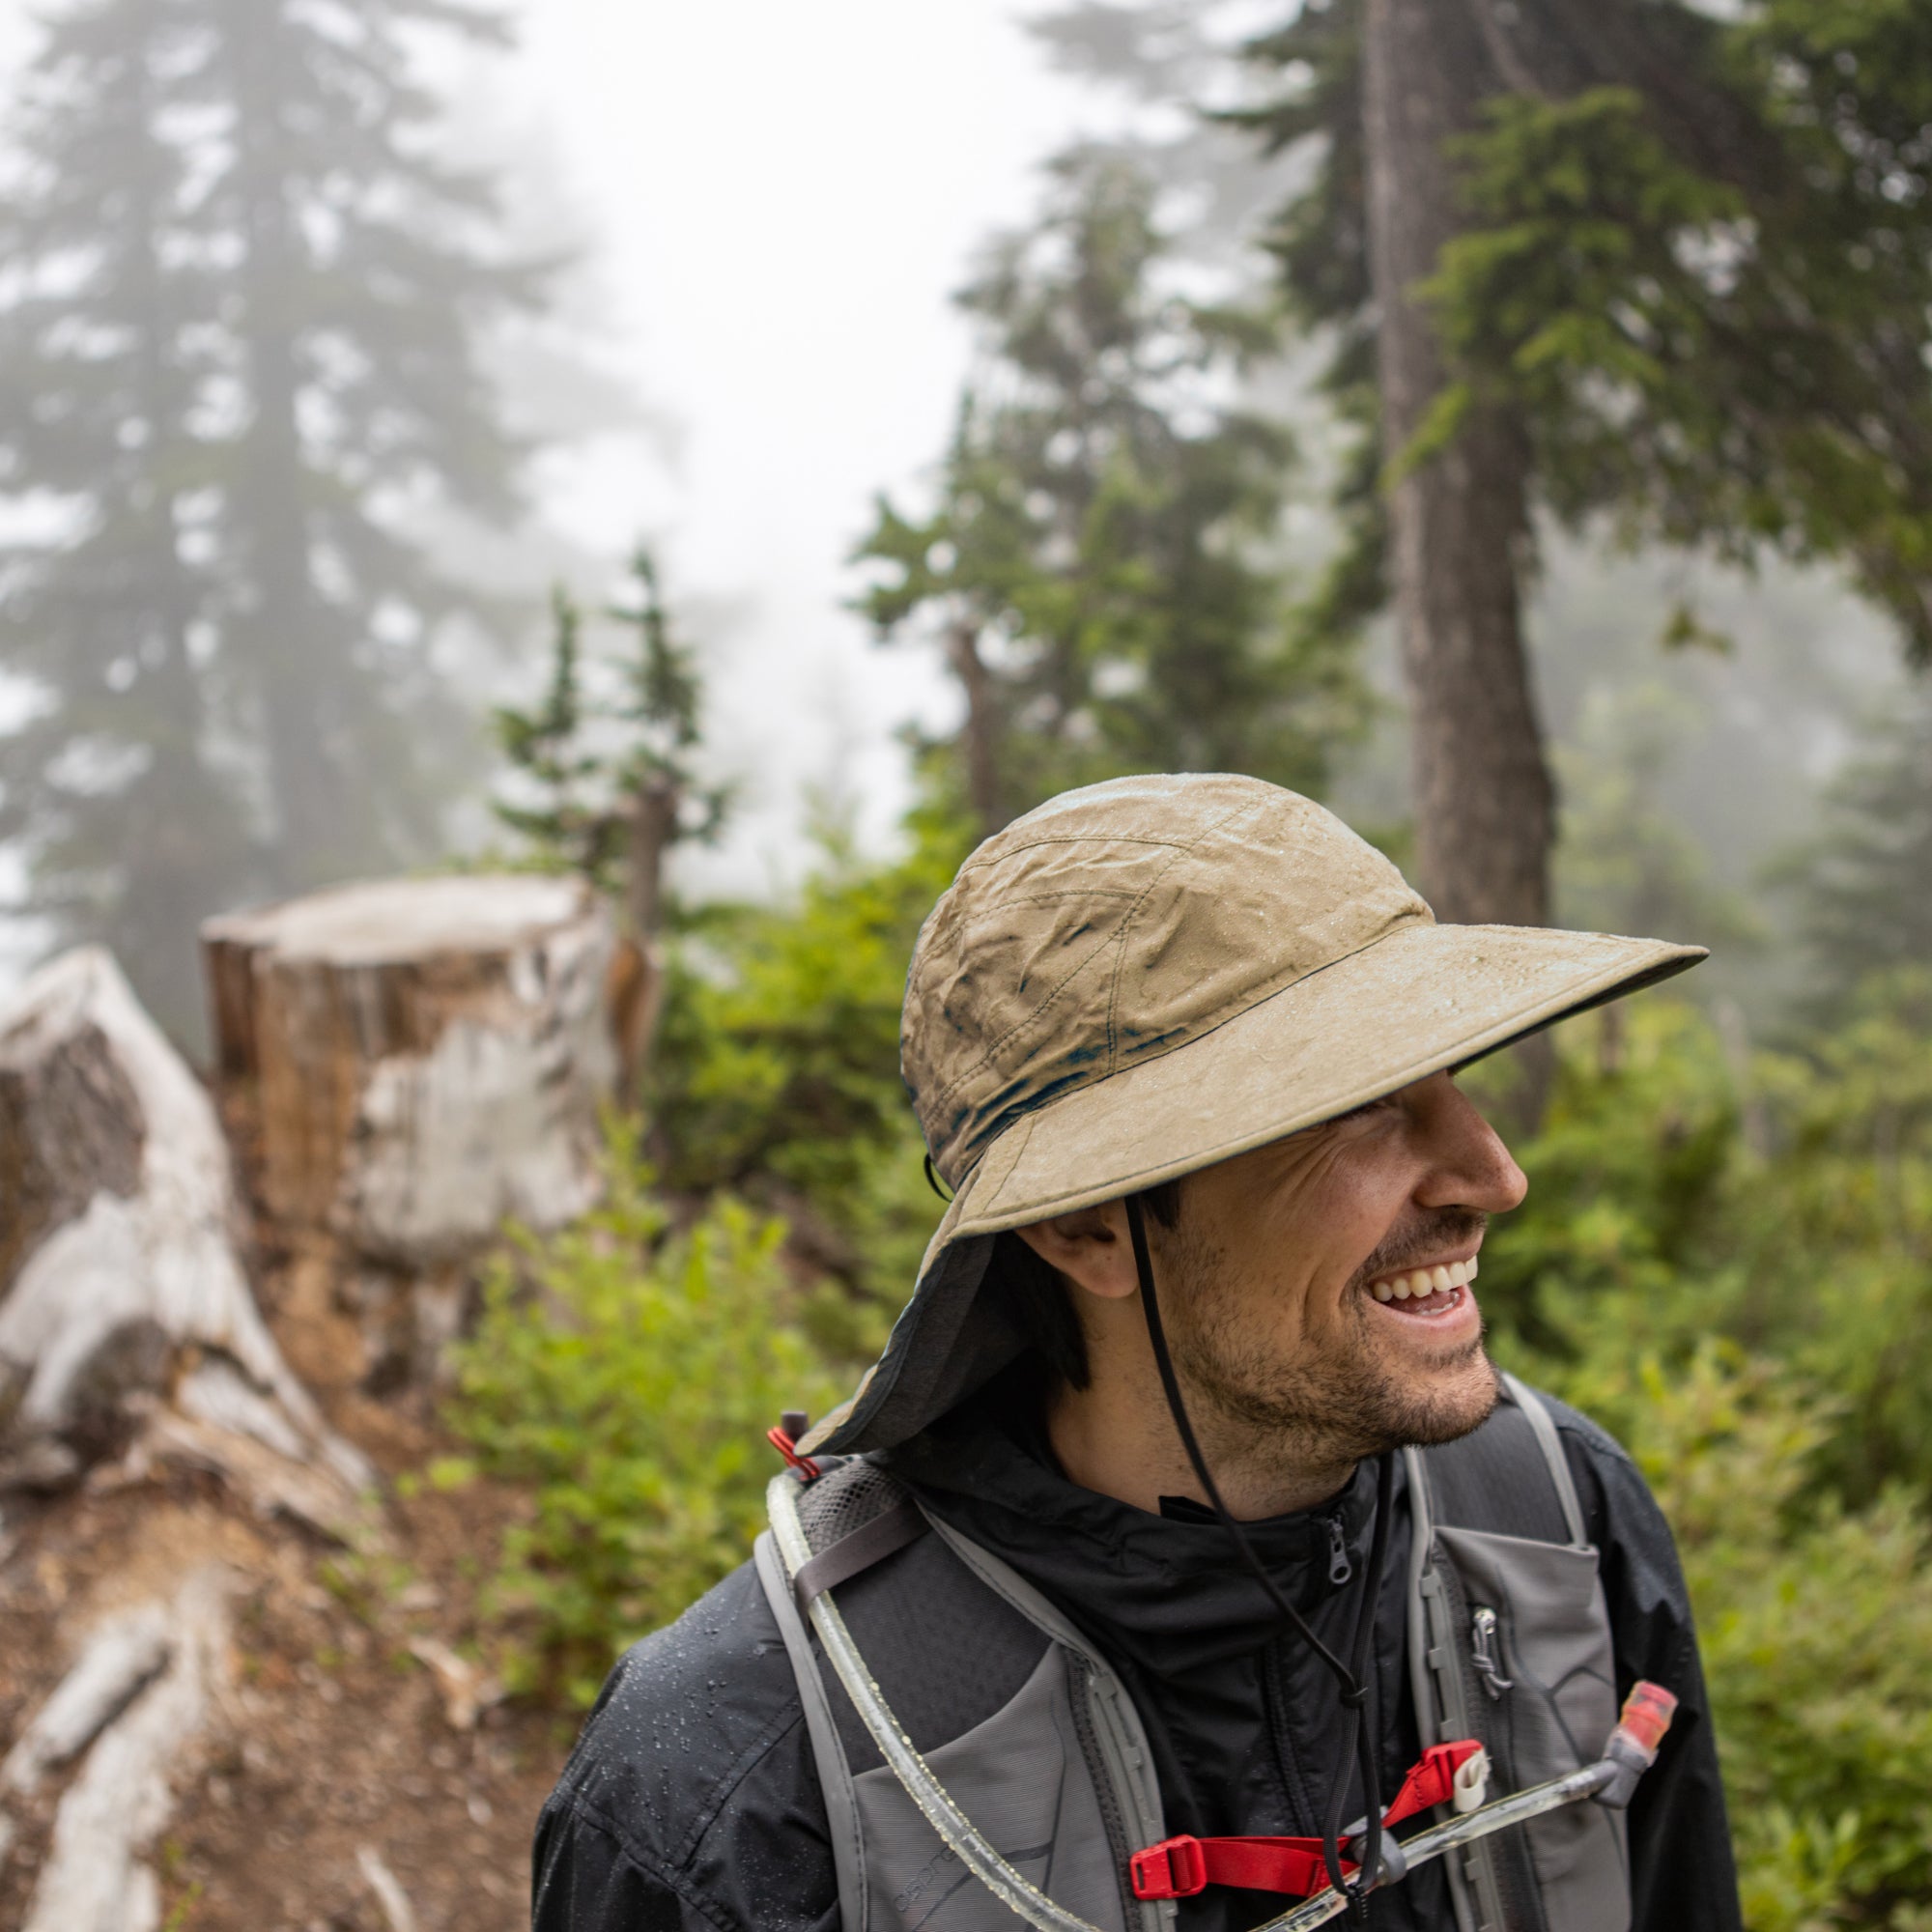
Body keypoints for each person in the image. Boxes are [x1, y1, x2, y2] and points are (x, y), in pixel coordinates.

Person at [531, 774, 1744, 1932]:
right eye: (1357, 1101)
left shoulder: (1558, 1522)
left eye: (1448, 1073)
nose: (1494, 1173)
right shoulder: (733, 1787)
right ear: (1082, 1222)